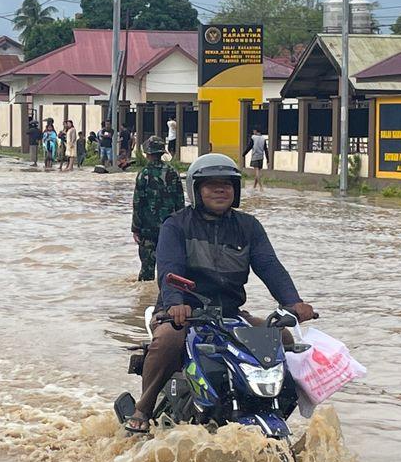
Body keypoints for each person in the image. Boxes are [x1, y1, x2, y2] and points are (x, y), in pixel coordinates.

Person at [124, 154, 317, 434]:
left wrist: (293, 302)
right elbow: (168, 269)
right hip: (181, 314)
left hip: (230, 314)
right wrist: (176, 304)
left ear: (235, 191)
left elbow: (270, 266)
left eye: (226, 184)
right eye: (211, 184)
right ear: (196, 189)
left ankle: (273, 406)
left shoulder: (248, 227)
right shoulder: (176, 225)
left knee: (282, 338)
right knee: (168, 341)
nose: (220, 189)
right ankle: (144, 406)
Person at [131, 136, 185, 282]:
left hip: (147, 231)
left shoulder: (143, 174)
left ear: (147, 153)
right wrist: (182, 226)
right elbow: (180, 202)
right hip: (170, 229)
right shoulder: (173, 172)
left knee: (146, 271)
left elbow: (138, 203)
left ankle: (144, 301)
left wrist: (135, 228)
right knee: (169, 270)